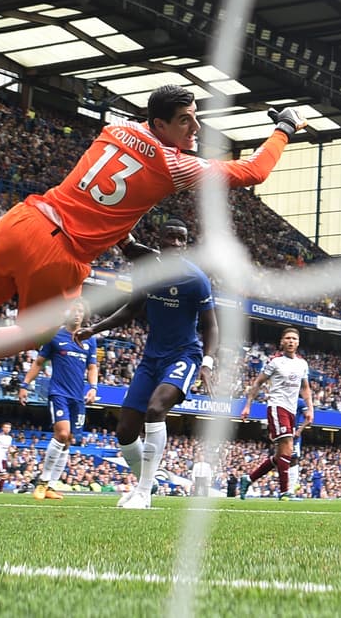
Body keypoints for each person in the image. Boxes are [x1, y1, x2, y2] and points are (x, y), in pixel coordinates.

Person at [0, 86, 311, 438]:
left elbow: (115, 200)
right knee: (30, 334)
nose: (196, 128)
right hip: (61, 253)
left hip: (22, 220)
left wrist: (126, 239)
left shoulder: (116, 128)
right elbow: (253, 171)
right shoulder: (174, 165)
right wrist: (284, 128)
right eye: (186, 120)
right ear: (162, 125)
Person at [74, 218, 215, 510]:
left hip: (184, 356)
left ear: (186, 244)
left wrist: (208, 362)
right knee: (125, 431)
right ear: (160, 240)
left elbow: (211, 326)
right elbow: (131, 309)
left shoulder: (196, 279)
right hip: (151, 359)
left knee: (155, 410)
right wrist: (94, 329)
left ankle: (145, 492)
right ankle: (143, 486)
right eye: (170, 237)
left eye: (181, 239)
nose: (176, 243)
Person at [19, 300, 98, 500]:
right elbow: (38, 362)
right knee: (62, 434)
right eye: (74, 309)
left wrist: (93, 388)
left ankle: (51, 486)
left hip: (78, 396)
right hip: (59, 393)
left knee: (69, 440)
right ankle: (42, 482)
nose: (78, 313)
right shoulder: (55, 334)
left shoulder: (89, 339)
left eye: (81, 310)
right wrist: (24, 385)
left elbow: (92, 367)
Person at [240, 327, 314, 500]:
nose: (290, 341)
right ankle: (284, 492)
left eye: (294, 339)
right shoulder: (275, 362)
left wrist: (310, 408)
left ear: (298, 342)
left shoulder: (302, 364)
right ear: (282, 342)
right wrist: (248, 405)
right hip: (276, 407)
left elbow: (305, 387)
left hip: (291, 410)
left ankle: (248, 479)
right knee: (288, 446)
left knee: (281, 455)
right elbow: (257, 383)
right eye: (287, 338)